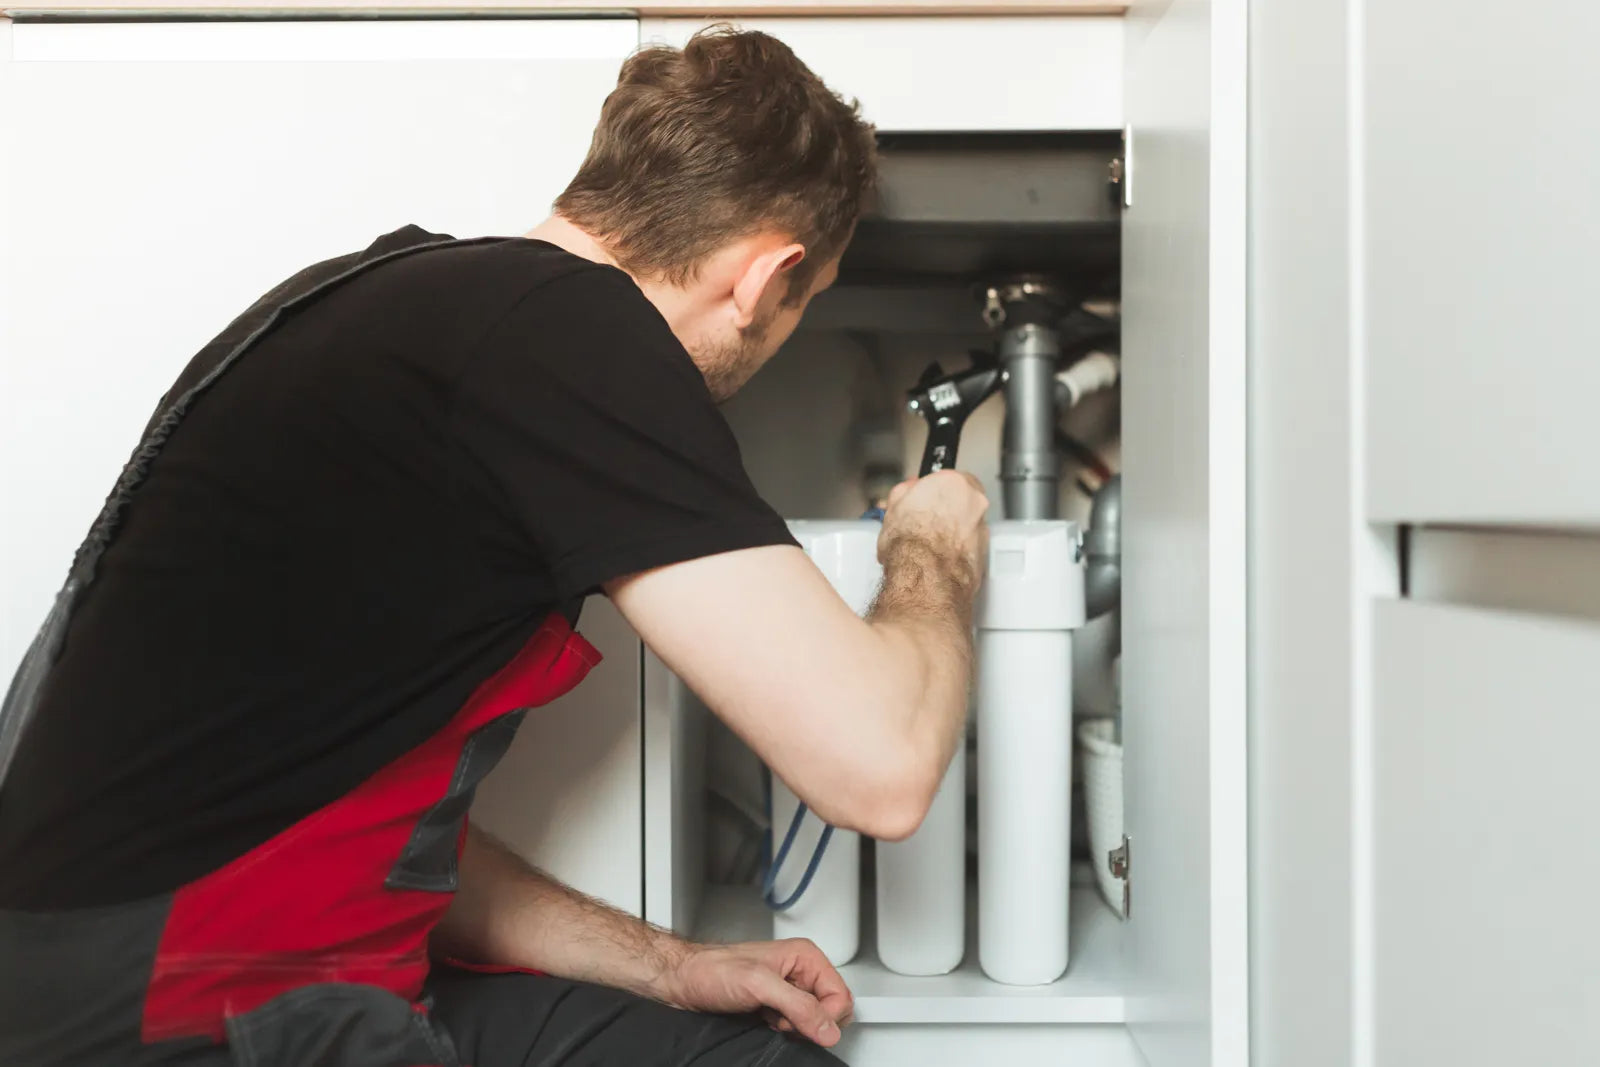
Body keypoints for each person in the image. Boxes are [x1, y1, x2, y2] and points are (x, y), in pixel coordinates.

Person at [0, 25, 988, 1067]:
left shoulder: (379, 300)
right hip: (182, 1017)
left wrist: (670, 963)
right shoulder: (572, 337)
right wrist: (933, 547)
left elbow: (346, 830)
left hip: (170, 980)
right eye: (805, 304)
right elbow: (882, 769)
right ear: (764, 275)